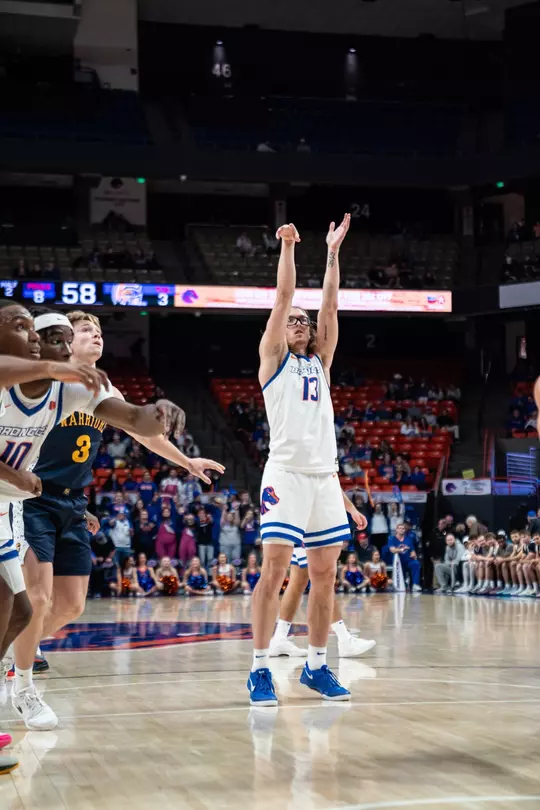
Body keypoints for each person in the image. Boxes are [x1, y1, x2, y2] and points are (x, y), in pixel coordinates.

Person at [11, 309, 222, 731]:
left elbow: (141, 430)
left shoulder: (101, 386)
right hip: (29, 496)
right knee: (38, 596)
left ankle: (10, 654)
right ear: (64, 340)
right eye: (87, 330)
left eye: (101, 331)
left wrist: (185, 461)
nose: (97, 336)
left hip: (71, 501)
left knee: (69, 605)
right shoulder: (41, 379)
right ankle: (21, 682)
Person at [250, 215, 372, 706]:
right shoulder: (273, 359)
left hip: (324, 478)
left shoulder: (321, 362)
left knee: (324, 575)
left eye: (305, 321)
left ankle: (317, 667)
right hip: (285, 473)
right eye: (294, 320)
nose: (301, 323)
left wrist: (333, 252)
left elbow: (331, 303)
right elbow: (284, 298)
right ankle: (260, 668)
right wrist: (287, 248)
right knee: (275, 569)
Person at [269, 493, 375, 658]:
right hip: (305, 522)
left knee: (298, 581)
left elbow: (328, 481)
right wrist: (351, 509)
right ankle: (344, 640)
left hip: (296, 520)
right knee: (323, 579)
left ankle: (279, 638)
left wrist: (351, 509)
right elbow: (328, 481)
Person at [388, 523, 422, 592]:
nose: (401, 530)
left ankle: (415, 584)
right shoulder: (392, 539)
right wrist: (402, 549)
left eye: (403, 528)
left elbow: (412, 551)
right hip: (398, 563)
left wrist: (413, 555)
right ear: (396, 530)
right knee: (402, 583)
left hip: (408, 561)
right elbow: (392, 550)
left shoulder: (409, 539)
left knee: (416, 563)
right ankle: (404, 583)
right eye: (399, 528)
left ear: (405, 530)